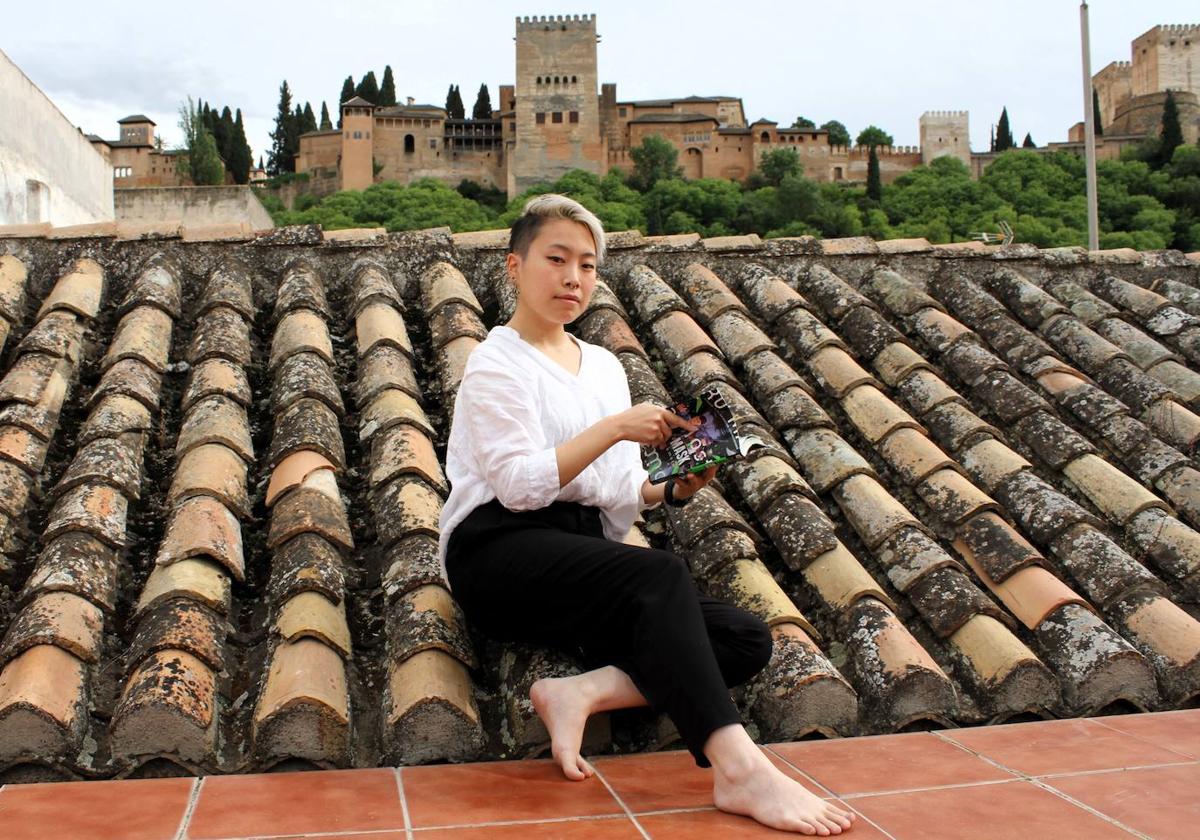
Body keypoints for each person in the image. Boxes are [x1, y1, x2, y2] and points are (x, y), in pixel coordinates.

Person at [439, 194, 856, 836]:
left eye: (588, 263)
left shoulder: (603, 365)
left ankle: (583, 691)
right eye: (556, 259)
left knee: (745, 638)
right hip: (497, 551)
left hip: (577, 556)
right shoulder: (495, 363)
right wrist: (612, 428)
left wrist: (677, 488)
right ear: (515, 267)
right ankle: (740, 770)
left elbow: (617, 489)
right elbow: (520, 487)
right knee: (659, 576)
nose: (574, 277)